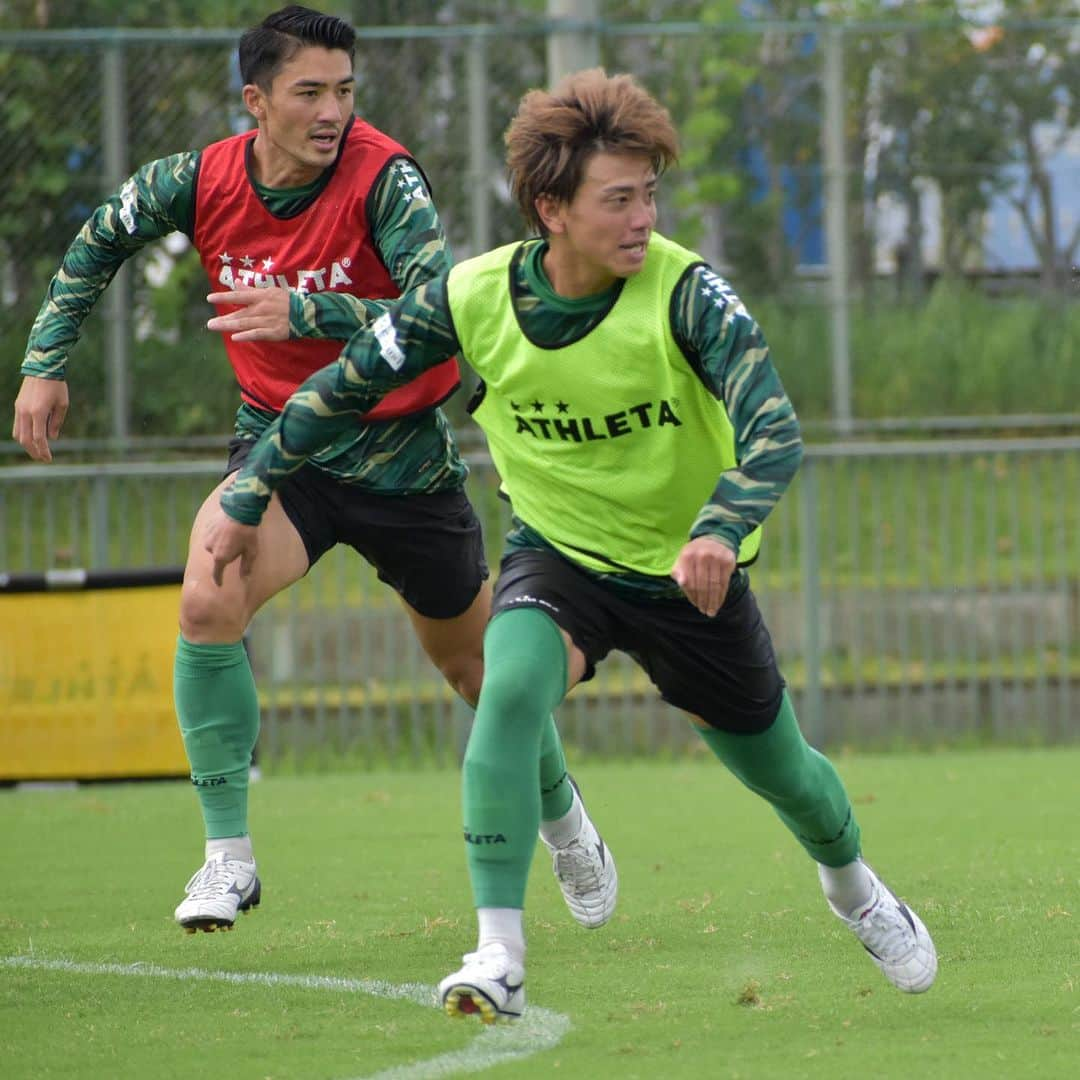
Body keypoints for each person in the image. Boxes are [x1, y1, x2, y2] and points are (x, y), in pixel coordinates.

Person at [201, 68, 938, 1019]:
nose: (643, 217)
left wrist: (719, 528)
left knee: (787, 776)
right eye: (618, 198)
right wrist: (248, 491)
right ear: (551, 207)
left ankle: (856, 891)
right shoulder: (473, 296)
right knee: (504, 692)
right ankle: (497, 954)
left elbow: (775, 433)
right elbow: (337, 387)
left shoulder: (688, 293)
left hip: (687, 582)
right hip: (559, 562)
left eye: (650, 194)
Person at [10, 6, 616, 940]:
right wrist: (45, 362)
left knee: (480, 674)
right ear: (256, 101)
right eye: (309, 92)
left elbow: (438, 307)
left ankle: (564, 819)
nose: (332, 110)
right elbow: (99, 240)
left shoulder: (387, 176)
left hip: (405, 456)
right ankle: (228, 860)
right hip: (283, 450)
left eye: (344, 91)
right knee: (207, 592)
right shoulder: (199, 179)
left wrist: (307, 311)